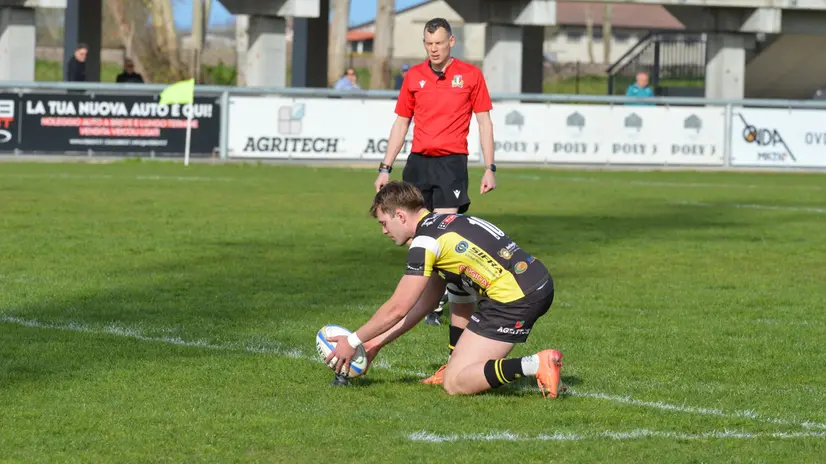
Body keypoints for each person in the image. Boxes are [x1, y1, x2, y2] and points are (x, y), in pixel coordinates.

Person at [324, 181, 564, 398]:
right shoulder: (443, 223)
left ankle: (534, 364)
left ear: (400, 215)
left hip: (516, 298)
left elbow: (398, 307)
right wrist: (374, 344)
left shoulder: (425, 241)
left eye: (384, 223)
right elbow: (425, 303)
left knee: (456, 384)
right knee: (457, 290)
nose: (384, 231)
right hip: (533, 282)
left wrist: (353, 340)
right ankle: (454, 363)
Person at [373, 17, 498, 382]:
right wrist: (385, 166)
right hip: (418, 165)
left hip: (451, 166)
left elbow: (485, 122)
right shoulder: (413, 77)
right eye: (428, 44)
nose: (434, 49)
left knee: (444, 240)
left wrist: (489, 166)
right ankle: (430, 294)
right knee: (417, 239)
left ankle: (444, 315)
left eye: (439, 44)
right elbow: (401, 124)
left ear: (451, 42)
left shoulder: (470, 76)